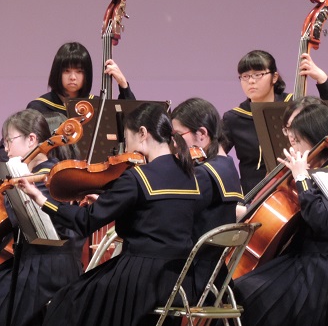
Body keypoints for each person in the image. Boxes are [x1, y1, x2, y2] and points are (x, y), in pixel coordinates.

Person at [17, 103, 201, 326]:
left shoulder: (137, 177)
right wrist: (112, 204)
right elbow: (158, 216)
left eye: (126, 137)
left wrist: (41, 199)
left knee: (67, 301)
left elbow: (84, 222)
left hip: (141, 278)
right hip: (178, 279)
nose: (125, 146)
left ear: (142, 133)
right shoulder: (189, 175)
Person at [234, 101, 328, 326]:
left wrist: (301, 177)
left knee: (246, 294)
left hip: (320, 269)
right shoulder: (318, 167)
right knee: (236, 290)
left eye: (296, 140)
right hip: (300, 260)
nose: (292, 146)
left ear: (315, 138)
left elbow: (320, 220)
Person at [0, 109, 86, 326]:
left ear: (31, 139)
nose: (6, 148)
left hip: (47, 268)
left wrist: (13, 190)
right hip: (41, 264)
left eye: (9, 140)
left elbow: (32, 225)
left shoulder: (48, 176)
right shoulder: (38, 173)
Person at [223, 50, 328, 194]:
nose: (251, 81)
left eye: (258, 74)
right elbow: (217, 154)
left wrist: (322, 80)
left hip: (302, 187)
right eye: (245, 76)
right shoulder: (234, 118)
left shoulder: (295, 105)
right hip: (256, 196)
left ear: (274, 77)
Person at [171, 97, 244, 300]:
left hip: (188, 282)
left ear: (202, 134)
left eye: (178, 136)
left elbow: (170, 218)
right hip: (214, 280)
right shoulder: (227, 165)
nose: (175, 144)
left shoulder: (204, 175)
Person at [27, 42, 134, 114]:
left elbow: (131, 121)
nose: (72, 77)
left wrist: (123, 84)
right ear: (57, 73)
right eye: (67, 71)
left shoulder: (97, 106)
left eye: (79, 71)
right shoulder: (38, 108)